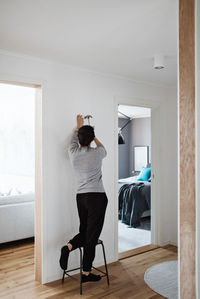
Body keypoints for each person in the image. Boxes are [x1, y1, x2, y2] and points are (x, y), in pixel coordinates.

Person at [59, 114, 108, 283]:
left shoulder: (73, 153)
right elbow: (103, 147)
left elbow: (74, 140)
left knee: (85, 231)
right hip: (97, 198)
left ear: (79, 138)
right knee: (91, 237)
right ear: (91, 138)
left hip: (81, 197)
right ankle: (86, 273)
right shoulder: (98, 153)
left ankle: (69, 247)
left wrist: (78, 127)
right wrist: (93, 136)